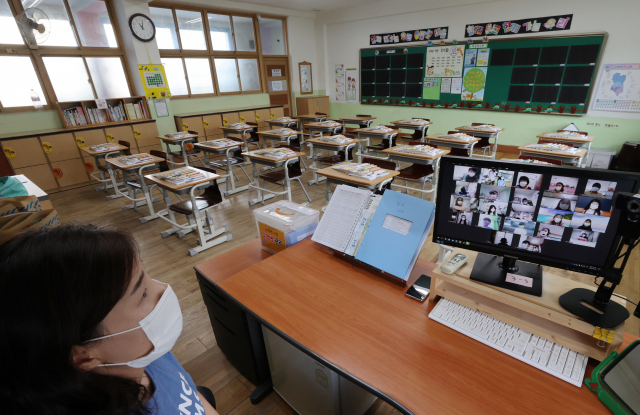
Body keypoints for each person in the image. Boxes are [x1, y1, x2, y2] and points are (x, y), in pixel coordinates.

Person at [0, 224, 220, 415]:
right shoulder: (135, 350)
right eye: (142, 293)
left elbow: (191, 393)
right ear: (83, 357)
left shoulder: (144, 354)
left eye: (148, 277)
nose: (163, 289)